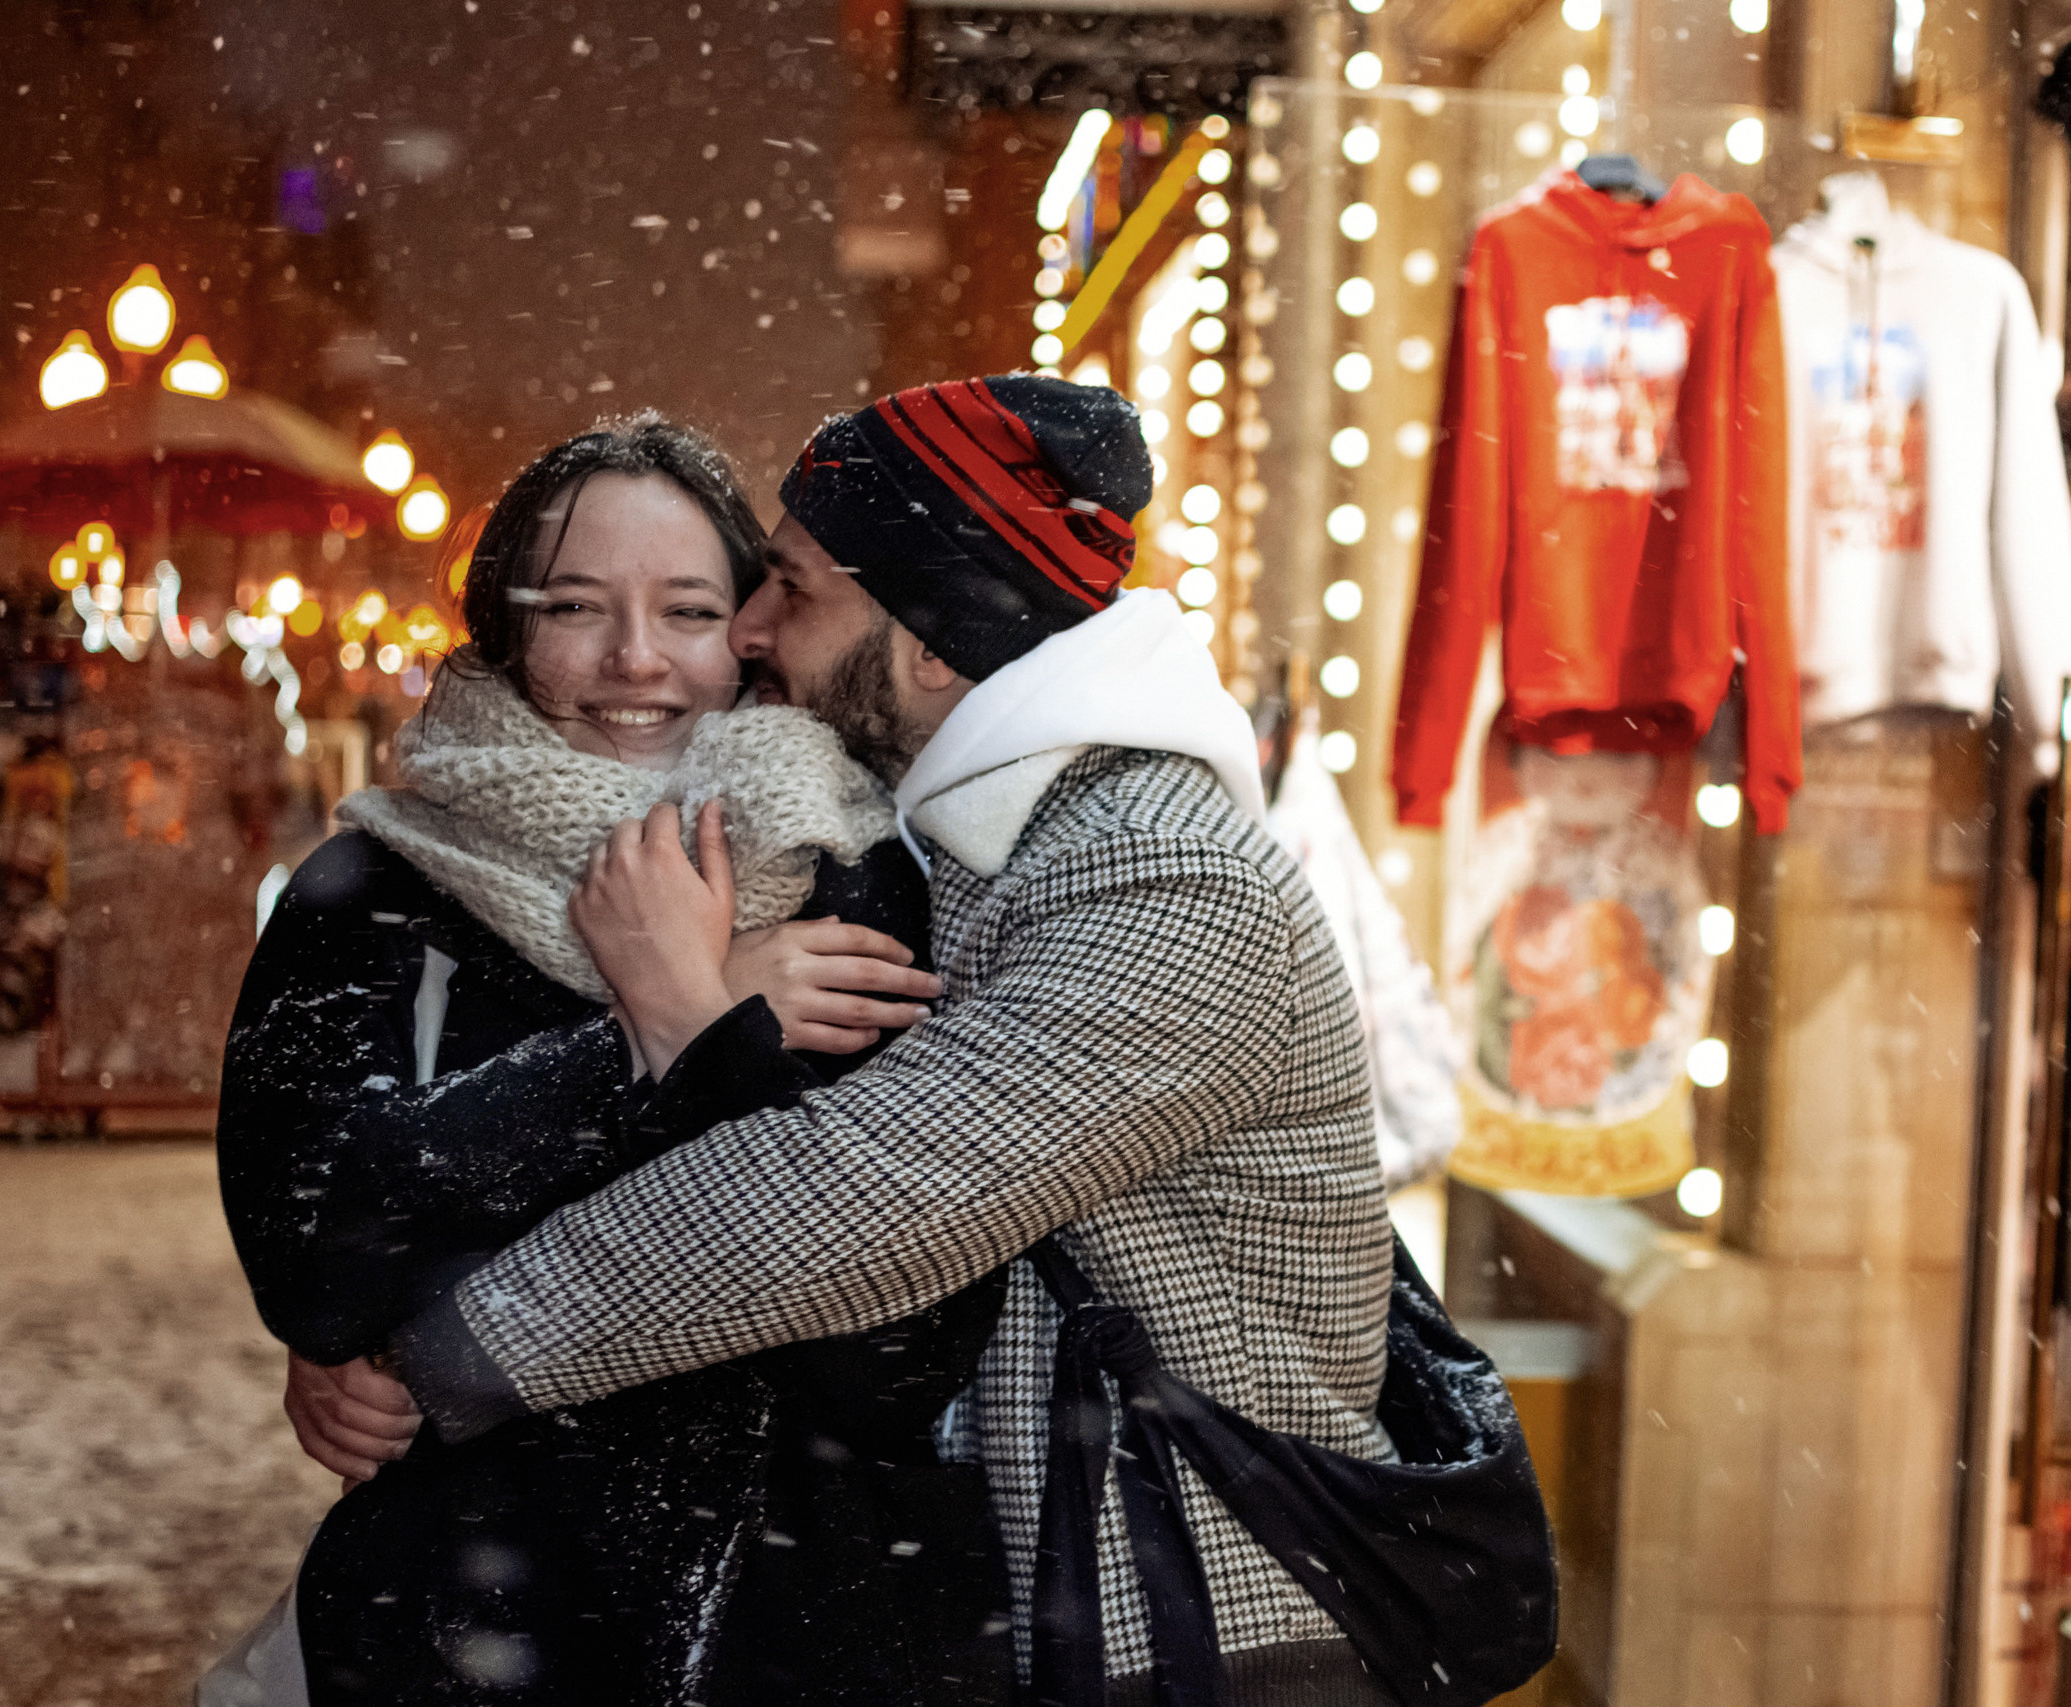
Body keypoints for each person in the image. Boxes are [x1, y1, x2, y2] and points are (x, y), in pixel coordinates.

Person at [314, 376, 1405, 1704]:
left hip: (1196, 1625)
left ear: (937, 643)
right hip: (1026, 1604)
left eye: (797, 589)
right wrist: (348, 1308)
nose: (757, 632)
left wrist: (435, 1353)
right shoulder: (945, 831)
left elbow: (845, 1203)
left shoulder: (1166, 883)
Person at [212, 414, 1014, 1707]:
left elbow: (893, 1342)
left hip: (801, 1614)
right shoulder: (375, 884)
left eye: (688, 609)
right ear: (506, 627)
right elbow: (314, 1255)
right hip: (470, 1611)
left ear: (747, 629)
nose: (635, 660)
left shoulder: (863, 871)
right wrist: (638, 1035)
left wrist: (695, 1020)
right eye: (578, 605)